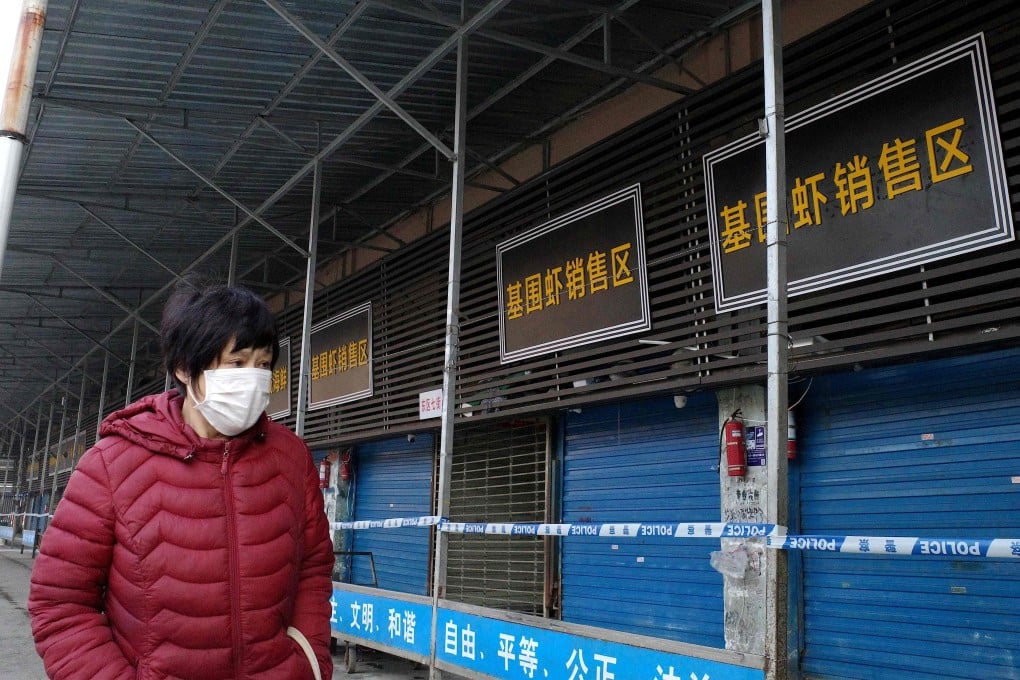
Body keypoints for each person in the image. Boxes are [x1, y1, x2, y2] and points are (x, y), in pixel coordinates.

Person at [28, 280, 334, 680]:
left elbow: (313, 568)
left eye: (263, 364)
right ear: (185, 369)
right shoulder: (112, 464)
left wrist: (308, 662)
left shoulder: (291, 458)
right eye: (237, 363)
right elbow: (60, 603)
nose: (254, 379)